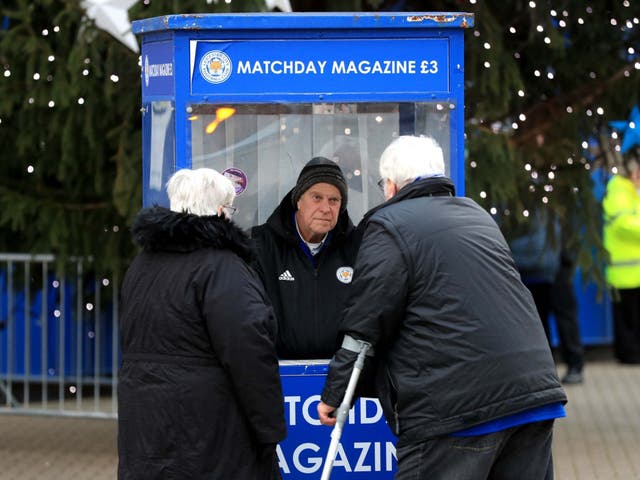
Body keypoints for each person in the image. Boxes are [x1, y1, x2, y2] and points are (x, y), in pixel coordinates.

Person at [318, 135, 567, 480]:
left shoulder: (390, 226)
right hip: (533, 396)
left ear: (390, 185)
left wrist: (335, 393)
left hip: (457, 407)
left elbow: (366, 319)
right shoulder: (476, 215)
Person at [118, 168, 286, 479]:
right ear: (221, 211)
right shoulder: (223, 267)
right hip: (210, 430)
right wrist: (270, 428)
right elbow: (249, 351)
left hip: (145, 426)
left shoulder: (142, 265)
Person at [250, 157, 358, 359]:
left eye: (333, 200)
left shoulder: (358, 246)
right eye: (317, 197)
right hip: (278, 375)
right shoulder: (260, 245)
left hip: (342, 375)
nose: (326, 208)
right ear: (298, 200)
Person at [509, 213, 585, 384]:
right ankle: (573, 365)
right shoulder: (556, 196)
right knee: (564, 319)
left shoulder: (515, 200)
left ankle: (544, 371)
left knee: (538, 322)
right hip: (557, 268)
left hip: (529, 273)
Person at [603, 151, 640, 364]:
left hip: (634, 270)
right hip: (623, 271)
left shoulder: (632, 191)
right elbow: (623, 223)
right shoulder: (618, 190)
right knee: (626, 317)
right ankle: (628, 354)